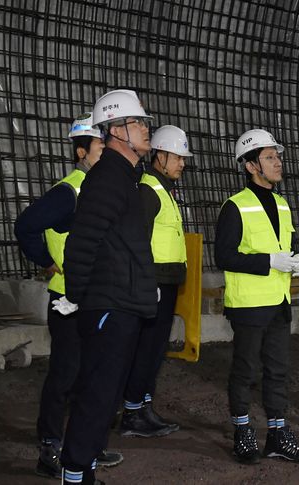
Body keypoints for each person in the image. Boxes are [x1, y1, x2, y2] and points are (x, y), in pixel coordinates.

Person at [14, 113, 123, 478]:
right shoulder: (69, 192)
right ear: (81, 153)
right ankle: (50, 446)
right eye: (98, 148)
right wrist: (46, 263)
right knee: (66, 374)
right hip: (68, 300)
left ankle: (84, 443)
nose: (105, 154)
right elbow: (27, 225)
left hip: (97, 298)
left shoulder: (103, 190)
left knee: (94, 375)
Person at [59, 89, 158, 485]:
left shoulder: (128, 180)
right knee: (97, 397)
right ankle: (75, 474)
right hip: (108, 306)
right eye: (139, 123)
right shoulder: (107, 180)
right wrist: (84, 299)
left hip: (123, 304)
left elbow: (125, 246)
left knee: (107, 396)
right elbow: (81, 244)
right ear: (117, 131)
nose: (146, 129)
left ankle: (86, 471)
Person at [214, 128, 299, 465]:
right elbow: (224, 256)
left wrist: (296, 260)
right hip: (249, 305)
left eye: (277, 156)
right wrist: (268, 261)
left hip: (279, 302)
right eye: (270, 157)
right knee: (245, 370)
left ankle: (277, 434)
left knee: (278, 371)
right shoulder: (235, 207)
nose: (277, 162)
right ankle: (243, 433)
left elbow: (283, 246)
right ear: (251, 165)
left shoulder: (282, 204)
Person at [119, 125, 191, 438]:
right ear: (160, 156)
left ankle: (143, 405)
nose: (182, 163)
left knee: (155, 348)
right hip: (155, 283)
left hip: (166, 281)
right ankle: (133, 411)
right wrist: (146, 283)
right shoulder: (149, 190)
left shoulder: (163, 189)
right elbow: (138, 240)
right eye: (178, 157)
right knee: (146, 348)